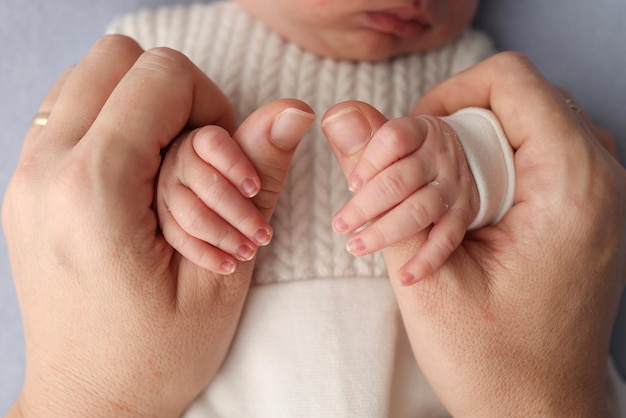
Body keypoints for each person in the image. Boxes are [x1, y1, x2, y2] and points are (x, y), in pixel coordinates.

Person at [3, 2, 625, 418]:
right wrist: (181, 189)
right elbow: (115, 196)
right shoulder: (159, 47)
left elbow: (539, 190)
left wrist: (472, 168)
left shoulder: (481, 66)